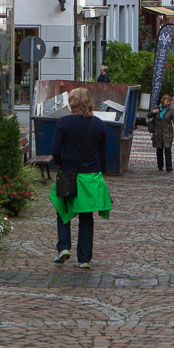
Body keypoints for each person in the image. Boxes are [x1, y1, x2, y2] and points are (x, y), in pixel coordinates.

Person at [49, 87, 112, 268]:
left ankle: (64, 247)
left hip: (69, 174)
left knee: (63, 211)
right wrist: (101, 171)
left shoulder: (64, 123)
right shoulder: (99, 125)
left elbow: (55, 150)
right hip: (91, 177)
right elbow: (103, 154)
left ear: (72, 102)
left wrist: (62, 164)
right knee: (86, 217)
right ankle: (84, 258)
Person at [150, 93, 174, 172]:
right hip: (158, 132)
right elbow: (148, 115)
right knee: (159, 149)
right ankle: (160, 165)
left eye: (169, 101)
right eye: (166, 101)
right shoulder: (157, 108)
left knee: (168, 148)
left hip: (167, 132)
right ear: (163, 101)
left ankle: (169, 166)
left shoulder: (171, 110)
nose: (168, 103)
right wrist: (153, 112)